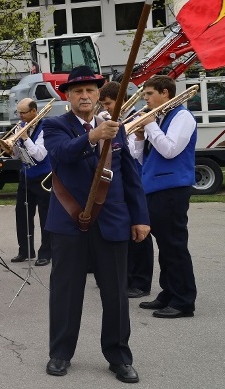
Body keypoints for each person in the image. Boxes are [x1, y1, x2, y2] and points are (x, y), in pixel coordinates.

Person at [43, 66, 148, 383]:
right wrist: (92, 137)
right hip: (68, 221)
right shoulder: (55, 125)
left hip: (113, 221)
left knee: (116, 294)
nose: (84, 96)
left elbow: (130, 175)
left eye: (90, 90)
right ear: (68, 96)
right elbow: (61, 154)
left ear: (98, 95)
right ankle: (60, 353)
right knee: (66, 292)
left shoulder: (116, 127)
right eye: (78, 91)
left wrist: (140, 217)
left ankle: (119, 357)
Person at [128, 74, 198, 318]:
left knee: (174, 246)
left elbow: (170, 150)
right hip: (154, 188)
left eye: (149, 94)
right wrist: (140, 138)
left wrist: (149, 125)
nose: (145, 99)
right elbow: (141, 158)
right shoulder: (160, 118)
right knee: (165, 246)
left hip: (172, 188)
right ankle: (168, 293)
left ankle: (183, 301)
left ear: (165, 93)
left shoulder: (182, 116)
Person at [12, 99, 52, 266]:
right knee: (22, 213)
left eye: (23, 113)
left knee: (45, 216)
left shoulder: (46, 128)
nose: (20, 116)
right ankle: (25, 250)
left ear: (34, 111)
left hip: (44, 177)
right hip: (26, 175)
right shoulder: (21, 126)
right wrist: (13, 145)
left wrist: (25, 137)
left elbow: (40, 155)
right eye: (19, 112)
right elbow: (16, 155)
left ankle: (46, 253)